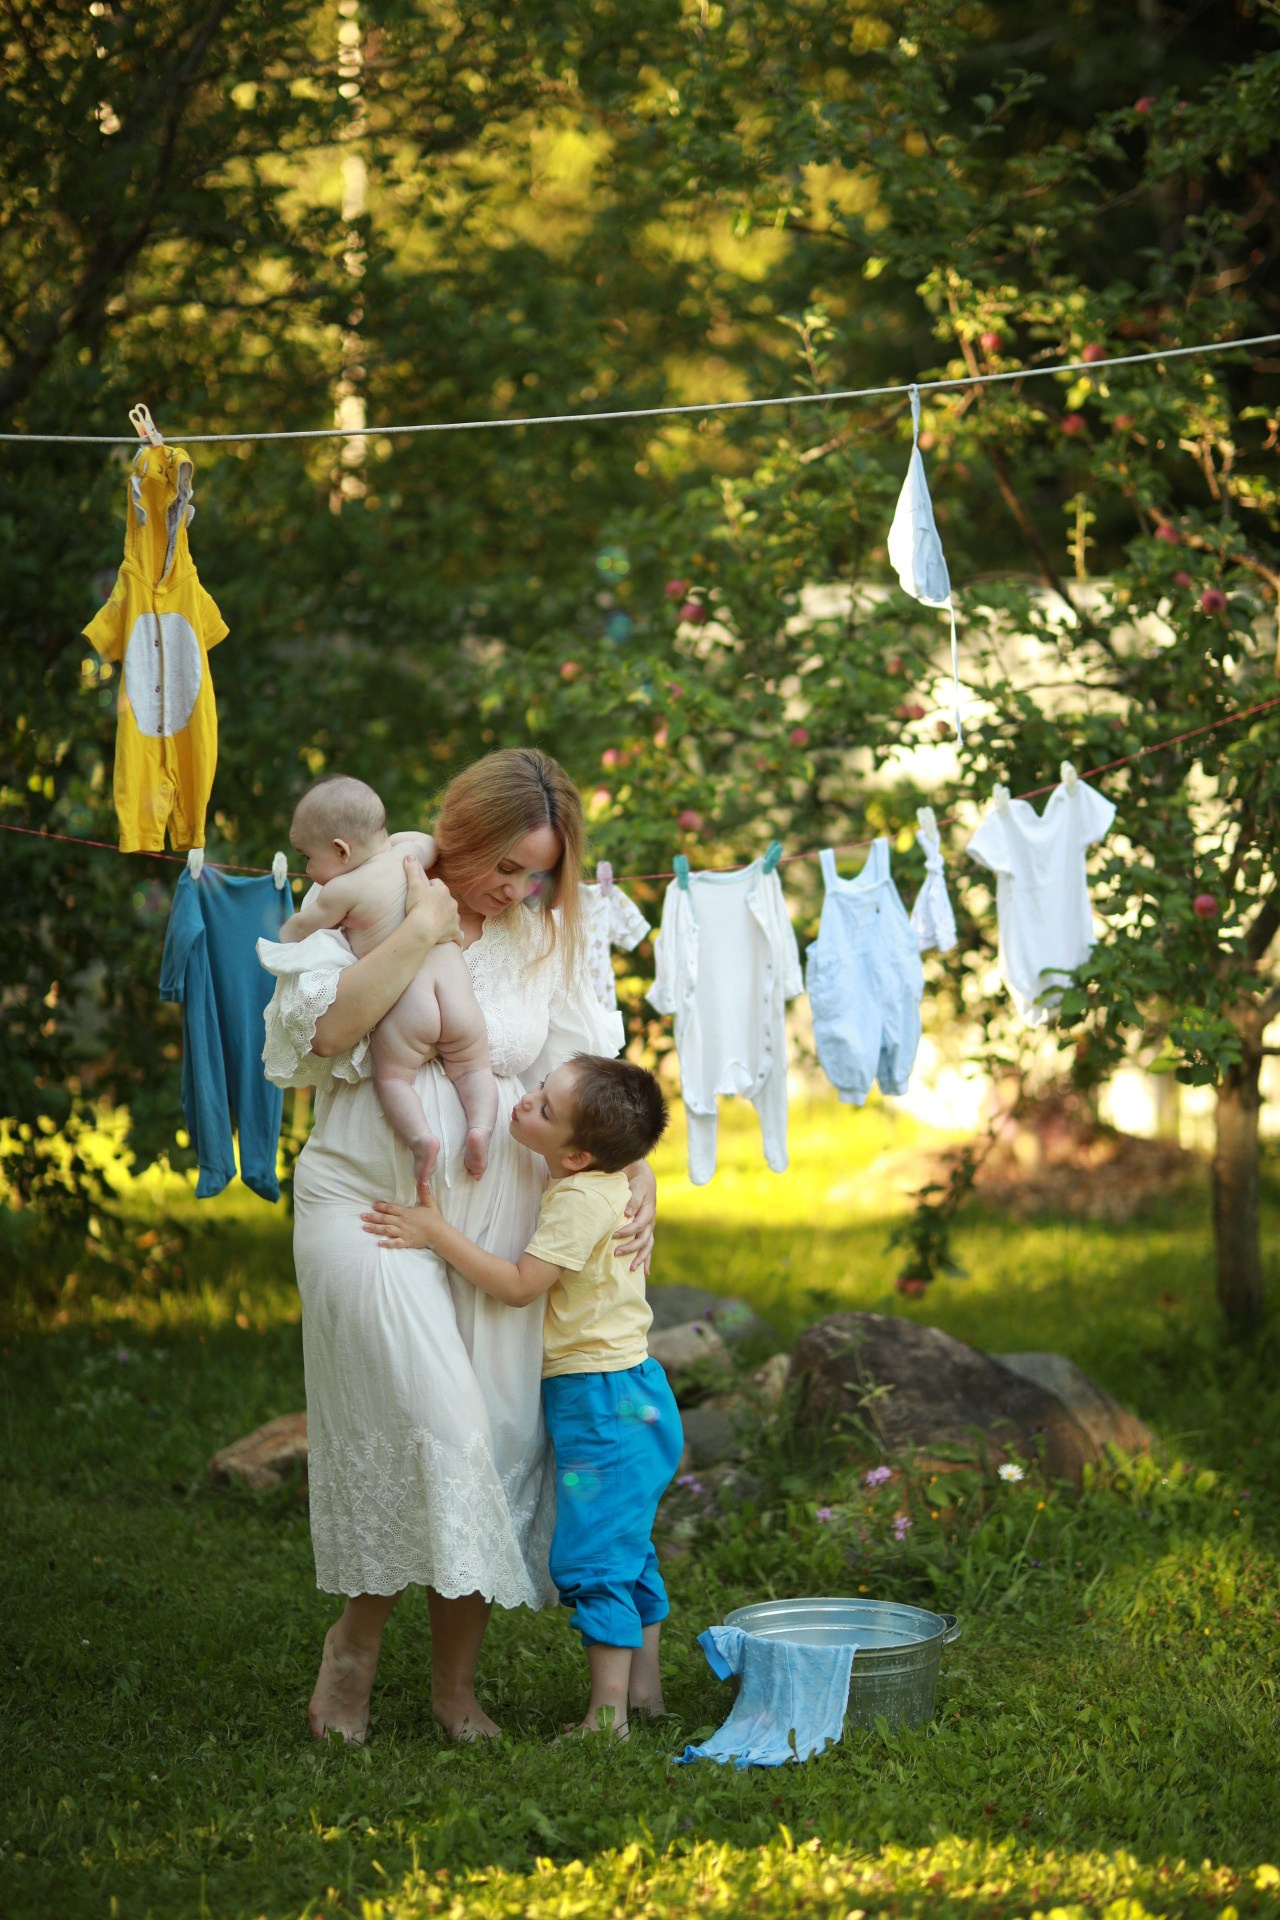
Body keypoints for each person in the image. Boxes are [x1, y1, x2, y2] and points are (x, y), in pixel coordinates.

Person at [257, 749, 656, 1745]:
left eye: (536, 875)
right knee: (437, 1423)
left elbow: (587, 1074)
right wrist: (424, 926)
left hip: (499, 1220)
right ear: (460, 833)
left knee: (494, 1444)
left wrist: (634, 1171)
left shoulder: (540, 936)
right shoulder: (368, 895)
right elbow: (318, 1040)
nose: (516, 890)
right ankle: (352, 1652)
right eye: (505, 867)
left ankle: (453, 1691)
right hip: (367, 1207)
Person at [362, 1052, 683, 1740]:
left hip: (602, 1403)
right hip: (633, 1394)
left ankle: (608, 1720)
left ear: (577, 1155)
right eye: (539, 1088)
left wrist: (434, 1232)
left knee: (595, 1557)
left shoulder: (577, 1201)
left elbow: (517, 1286)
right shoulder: (603, 1180)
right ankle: (647, 1695)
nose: (524, 1100)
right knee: (628, 1547)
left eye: (544, 1107)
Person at [281, 773, 497, 1181]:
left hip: (410, 1003)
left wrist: (281, 934)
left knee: (394, 1077)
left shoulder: (342, 890)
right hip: (456, 992)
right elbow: (430, 843)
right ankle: (481, 1128)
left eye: (307, 857)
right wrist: (397, 843)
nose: (307, 869)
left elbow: (300, 929)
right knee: (474, 1068)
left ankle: (421, 1140)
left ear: (341, 850)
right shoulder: (409, 854)